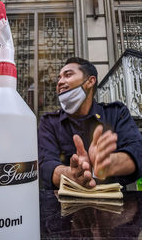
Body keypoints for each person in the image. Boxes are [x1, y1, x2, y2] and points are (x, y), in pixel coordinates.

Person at [38, 57, 142, 189]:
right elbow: (45, 165)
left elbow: (137, 151)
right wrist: (73, 174)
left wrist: (107, 164)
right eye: (59, 78)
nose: (60, 82)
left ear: (90, 81)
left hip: (114, 205)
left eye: (68, 75)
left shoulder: (115, 113)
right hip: (63, 206)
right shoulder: (49, 122)